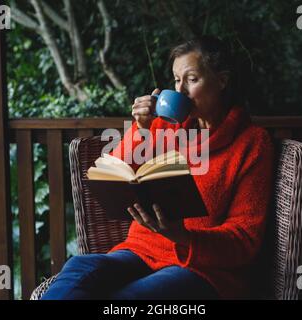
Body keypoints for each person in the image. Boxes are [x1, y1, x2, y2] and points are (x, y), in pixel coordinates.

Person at [41, 35, 275, 300]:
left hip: (203, 269)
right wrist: (141, 129)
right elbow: (114, 169)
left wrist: (184, 236)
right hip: (141, 251)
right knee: (78, 268)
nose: (181, 91)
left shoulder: (252, 143)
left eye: (192, 79)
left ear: (222, 80)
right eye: (177, 80)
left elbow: (245, 240)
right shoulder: (164, 127)